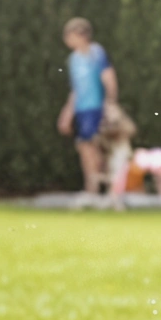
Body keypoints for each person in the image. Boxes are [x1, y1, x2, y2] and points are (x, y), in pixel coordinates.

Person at [57, 17, 118, 195]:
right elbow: (76, 90)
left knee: (91, 147)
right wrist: (67, 114)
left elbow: (109, 77)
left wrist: (111, 103)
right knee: (84, 148)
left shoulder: (96, 53)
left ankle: (97, 188)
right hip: (82, 110)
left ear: (81, 35)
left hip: (96, 108)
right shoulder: (73, 59)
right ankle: (92, 186)